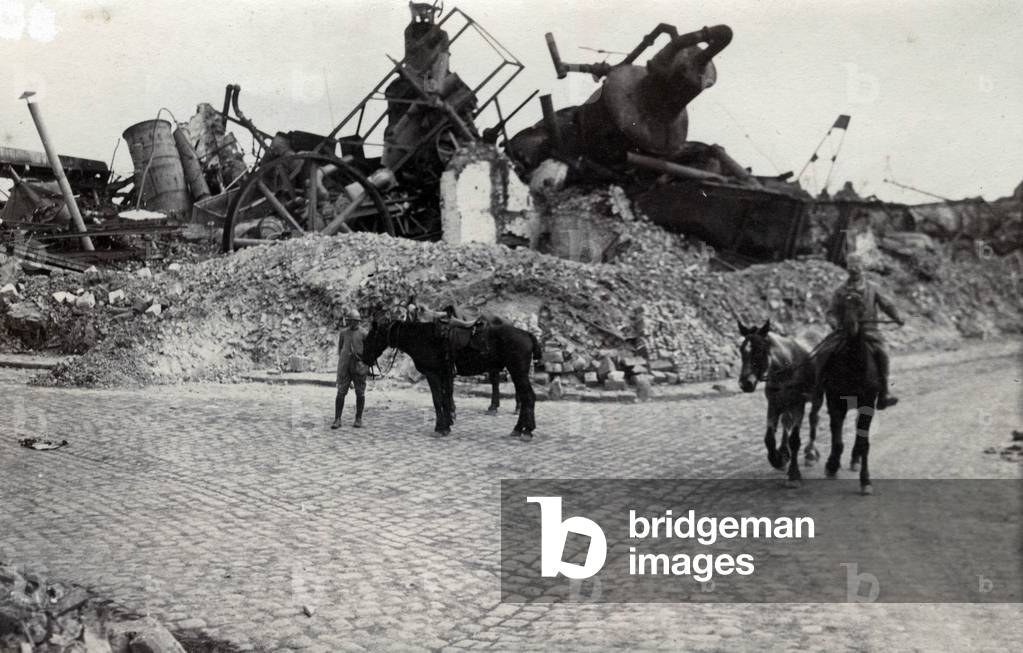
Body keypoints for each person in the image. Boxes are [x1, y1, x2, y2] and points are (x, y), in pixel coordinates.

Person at [810, 254, 905, 409]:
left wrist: (897, 317)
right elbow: (830, 312)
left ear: (863, 268)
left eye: (857, 268)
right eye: (851, 269)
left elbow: (886, 305)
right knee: (823, 353)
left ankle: (884, 392)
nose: (854, 272)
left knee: (883, 352)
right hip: (844, 332)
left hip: (869, 332)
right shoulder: (840, 290)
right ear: (848, 270)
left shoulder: (872, 288)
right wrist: (836, 324)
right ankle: (818, 390)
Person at [332, 307, 370, 429]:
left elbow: (369, 352)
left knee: (360, 393)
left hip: (358, 368)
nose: (353, 323)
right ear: (348, 321)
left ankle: (358, 418)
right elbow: (340, 349)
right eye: (351, 320)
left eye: (356, 321)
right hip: (345, 367)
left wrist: (363, 364)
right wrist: (343, 362)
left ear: (359, 321)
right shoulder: (343, 333)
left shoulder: (364, 334)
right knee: (340, 393)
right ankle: (337, 419)